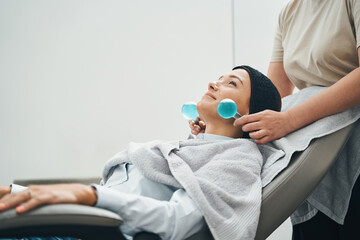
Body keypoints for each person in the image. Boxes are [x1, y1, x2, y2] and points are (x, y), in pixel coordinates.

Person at [0, 66, 281, 240]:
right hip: (73, 226)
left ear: (250, 115)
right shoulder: (192, 150)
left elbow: (175, 221)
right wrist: (21, 191)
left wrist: (89, 195)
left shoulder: (236, 161)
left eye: (231, 84)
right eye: (219, 78)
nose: (212, 84)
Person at [190, 1, 360, 239]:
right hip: (311, 142)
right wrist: (217, 127)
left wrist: (289, 120)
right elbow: (273, 96)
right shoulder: (290, 12)